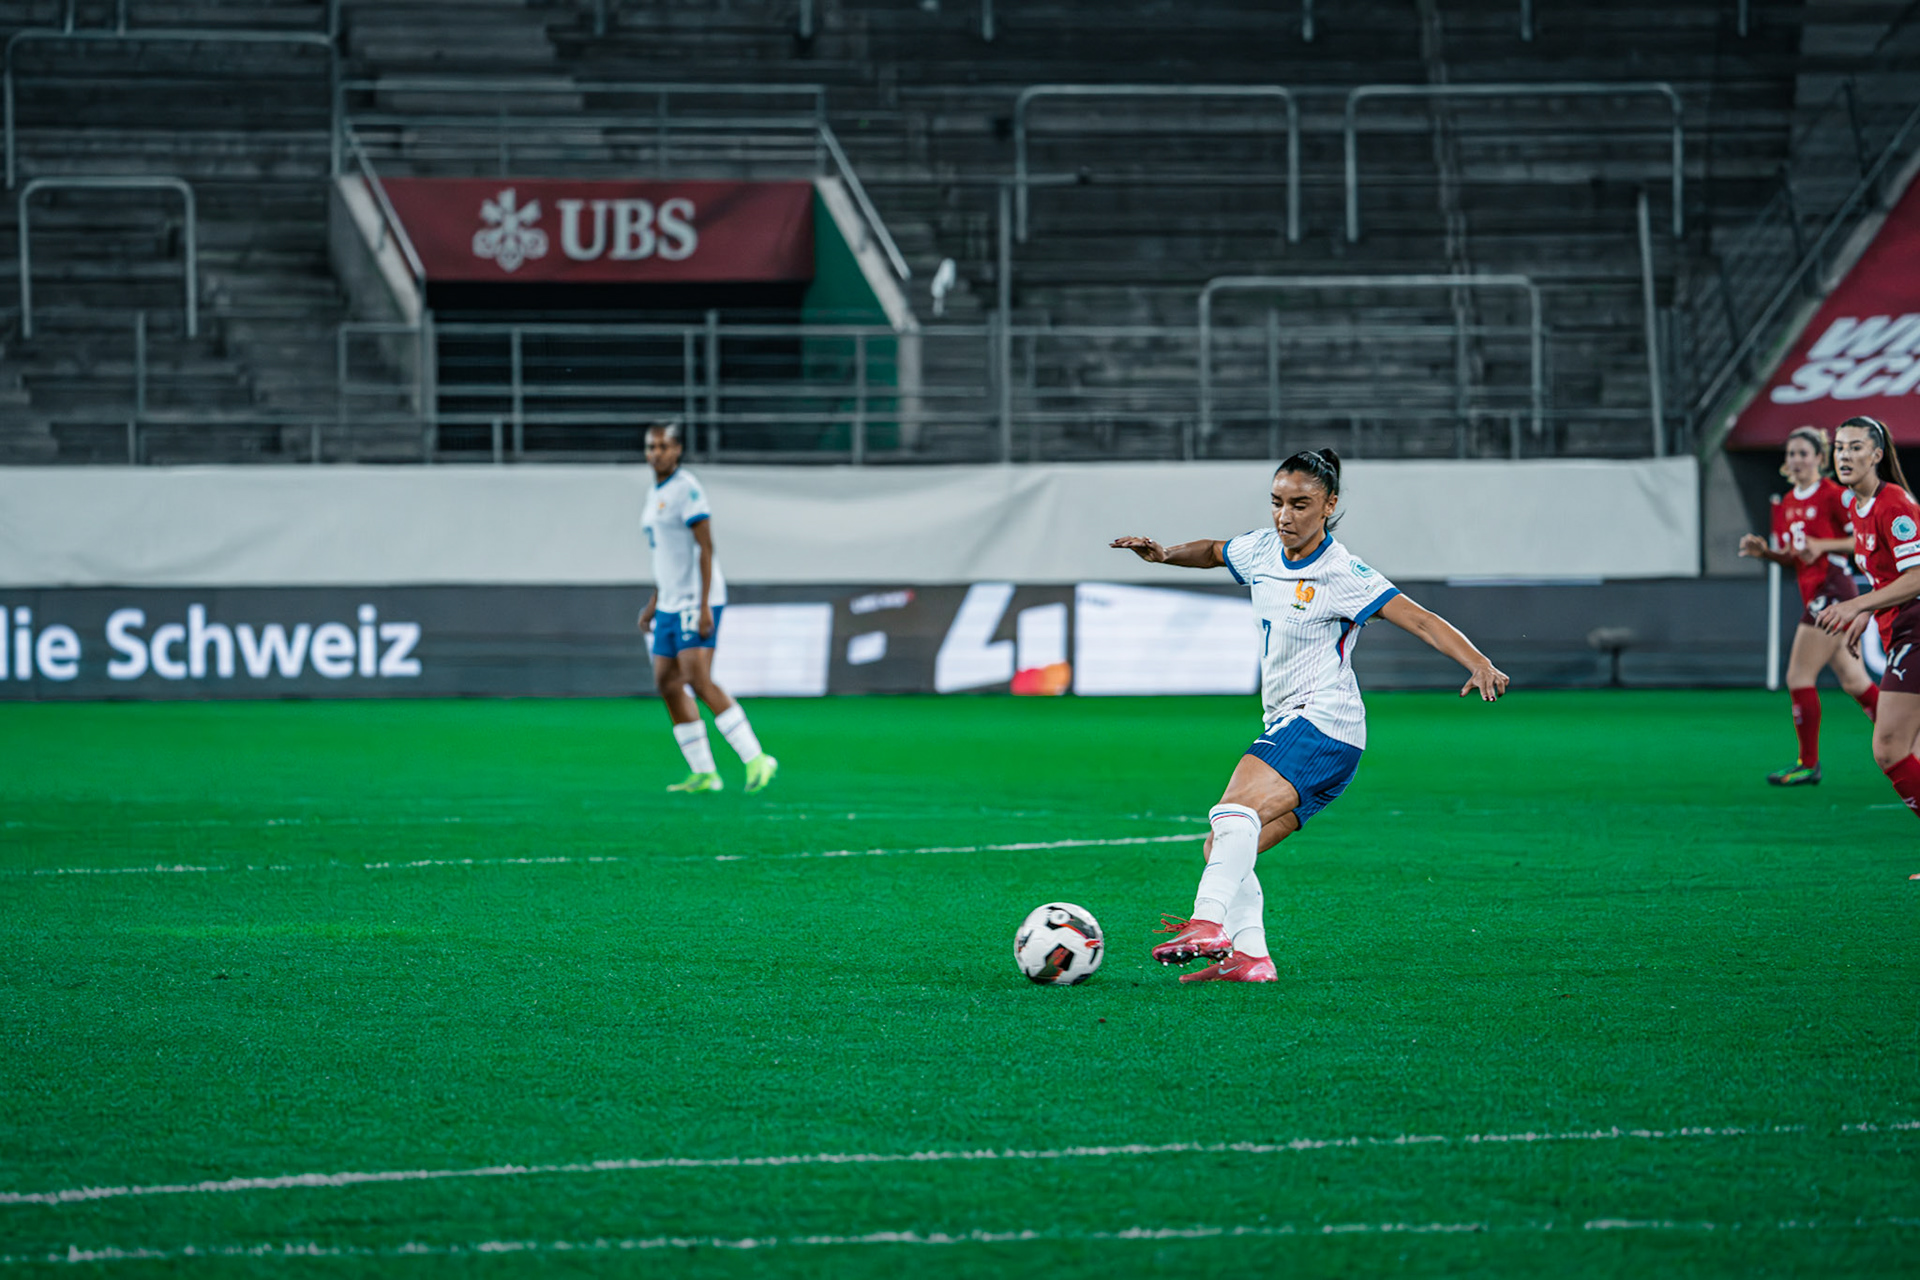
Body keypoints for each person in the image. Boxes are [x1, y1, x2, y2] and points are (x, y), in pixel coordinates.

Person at [1111, 448, 1509, 983]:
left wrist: (1478, 661)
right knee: (1225, 844)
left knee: (1231, 811)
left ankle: (1207, 923)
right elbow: (1212, 551)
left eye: (1300, 504)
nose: (1285, 516)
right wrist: (1164, 555)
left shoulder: (1342, 571)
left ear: (1329, 506)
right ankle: (1252, 957)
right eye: (1277, 502)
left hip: (1322, 721)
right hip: (1307, 734)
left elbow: (1419, 619)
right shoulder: (1260, 550)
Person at [638, 421, 778, 794]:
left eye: (663, 447)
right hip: (669, 601)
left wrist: (703, 606)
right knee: (667, 684)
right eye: (651, 447)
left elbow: (705, 548)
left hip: (695, 600)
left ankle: (756, 758)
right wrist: (654, 602)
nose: (656, 453)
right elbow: (666, 557)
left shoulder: (687, 489)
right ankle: (705, 773)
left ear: (678, 449)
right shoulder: (656, 493)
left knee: (698, 680)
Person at [1737, 425, 1878, 786]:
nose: (1795, 460)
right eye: (1791, 454)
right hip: (1816, 591)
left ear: (1820, 457)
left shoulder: (1832, 494)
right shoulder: (1786, 502)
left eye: (1803, 453)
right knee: (1854, 681)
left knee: (1798, 676)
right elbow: (1793, 558)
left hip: (1832, 590)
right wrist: (1765, 553)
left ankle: (1808, 763)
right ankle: (1907, 734)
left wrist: (1823, 546)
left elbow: (1861, 541)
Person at [1816, 416, 1920, 821]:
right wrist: (1870, 607)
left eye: (1855, 447)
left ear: (1876, 455)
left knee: (1889, 748)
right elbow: (1889, 576)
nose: (1844, 455)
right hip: (1902, 628)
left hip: (1916, 630)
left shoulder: (1895, 505)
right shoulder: (1859, 505)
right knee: (1911, 750)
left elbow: (1917, 577)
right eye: (1840, 447)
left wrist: (1856, 605)